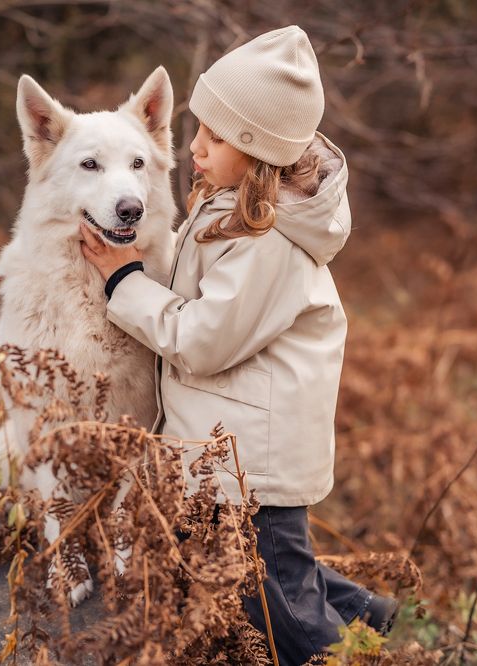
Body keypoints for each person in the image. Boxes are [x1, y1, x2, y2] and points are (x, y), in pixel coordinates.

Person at [79, 25, 397, 664]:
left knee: (274, 605)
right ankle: (376, 616)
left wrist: (122, 280)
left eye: (214, 138)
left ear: (255, 150)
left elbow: (201, 338)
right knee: (264, 567)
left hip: (254, 462)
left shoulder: (269, 242)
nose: (194, 147)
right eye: (198, 129)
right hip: (229, 450)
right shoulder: (232, 205)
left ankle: (353, 652)